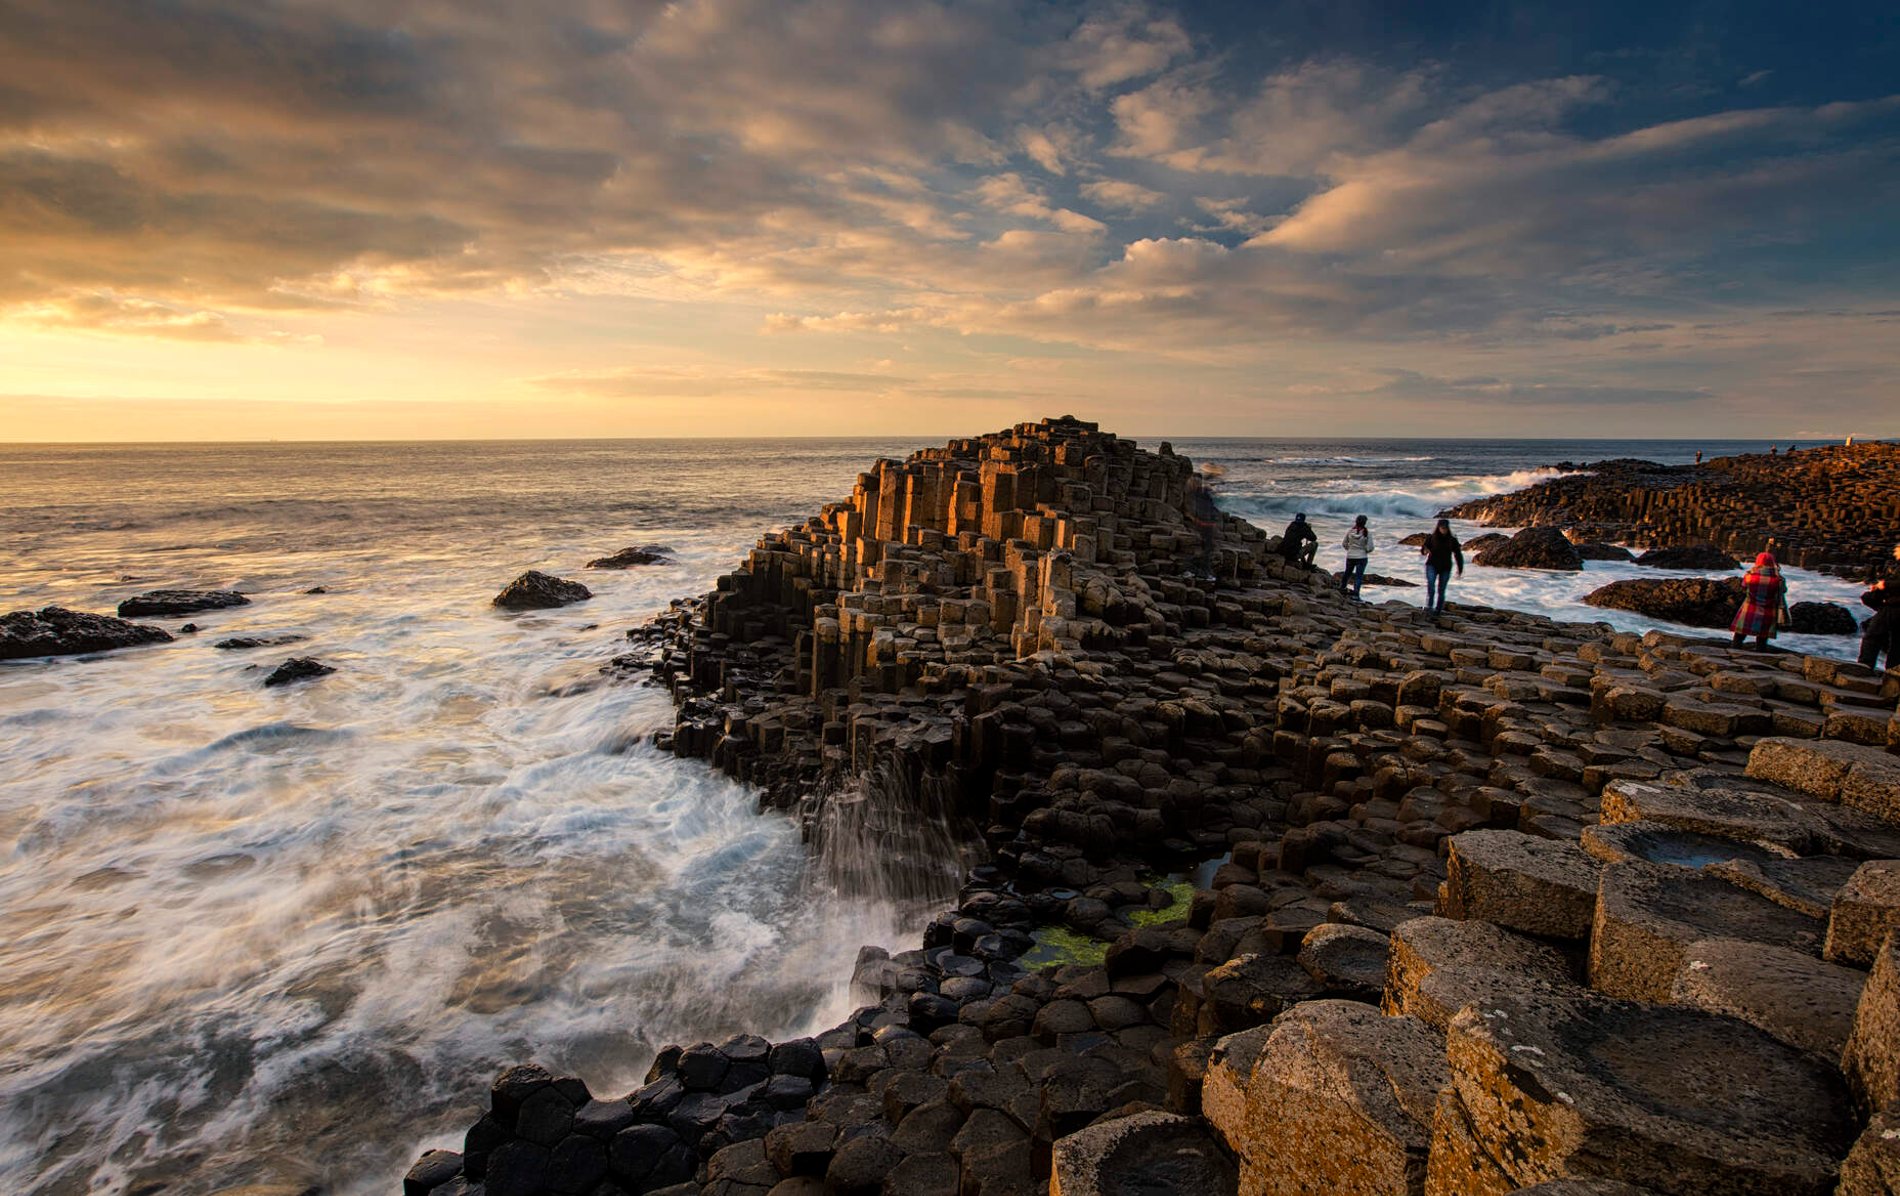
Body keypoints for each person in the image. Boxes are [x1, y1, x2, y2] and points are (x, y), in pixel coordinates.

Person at [1730, 551, 1787, 650]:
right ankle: (1760, 656)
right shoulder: (1779, 580)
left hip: (1749, 609)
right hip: (1768, 611)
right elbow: (1784, 591)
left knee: (1739, 636)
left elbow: (1743, 586)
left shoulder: (1749, 577)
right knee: (1762, 639)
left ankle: (1734, 652)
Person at [1419, 519, 1463, 614]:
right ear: (1438, 528)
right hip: (1432, 565)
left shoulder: (1452, 540)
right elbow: (1423, 550)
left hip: (1445, 567)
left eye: (1445, 528)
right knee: (1431, 587)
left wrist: (1460, 569)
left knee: (1441, 590)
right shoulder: (1431, 538)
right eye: (1442, 528)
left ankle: (1438, 610)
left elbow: (1458, 555)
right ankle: (1429, 607)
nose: (1444, 530)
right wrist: (1424, 551)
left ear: (1448, 528)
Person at [1187, 472, 1220, 580]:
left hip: (1207, 525)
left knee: (1207, 550)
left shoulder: (1203, 494)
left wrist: (1214, 519)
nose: (1196, 484)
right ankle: (1194, 571)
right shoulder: (1191, 494)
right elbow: (1189, 511)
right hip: (1199, 526)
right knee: (1201, 550)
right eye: (1194, 481)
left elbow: (1211, 508)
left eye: (1198, 482)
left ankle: (1204, 573)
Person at [1861, 576, 1898, 670]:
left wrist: (1885, 585)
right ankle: (1892, 674)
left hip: (1893, 608)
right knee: (1897, 644)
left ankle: (1863, 669)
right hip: (1891, 605)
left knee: (1872, 638)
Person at [1340, 515, 1372, 599]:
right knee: (1358, 576)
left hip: (1350, 556)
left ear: (1356, 521)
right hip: (1362, 557)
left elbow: (1344, 544)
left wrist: (1350, 550)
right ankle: (1356, 594)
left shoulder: (1350, 531)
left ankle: (1342, 588)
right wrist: (1364, 550)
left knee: (1347, 573)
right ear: (1365, 523)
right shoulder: (1367, 533)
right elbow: (1370, 547)